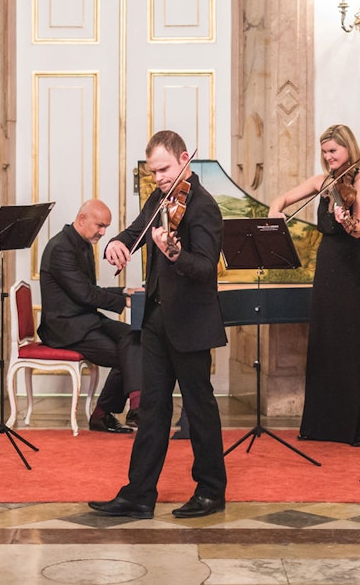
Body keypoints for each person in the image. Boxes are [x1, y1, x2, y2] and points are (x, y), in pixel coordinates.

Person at [88, 130, 228, 519]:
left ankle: (211, 491)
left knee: (199, 408)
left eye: (164, 169)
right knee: (152, 408)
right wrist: (115, 242)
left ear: (185, 158)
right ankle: (138, 494)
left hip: (191, 322)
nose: (160, 178)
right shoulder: (158, 199)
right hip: (156, 319)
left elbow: (204, 268)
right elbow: (134, 234)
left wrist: (176, 252)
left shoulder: (204, 207)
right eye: (154, 172)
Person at [268, 124, 360, 446]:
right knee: (327, 340)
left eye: (333, 150)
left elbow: (358, 229)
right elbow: (283, 198)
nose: (328, 156)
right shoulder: (322, 182)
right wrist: (275, 211)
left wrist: (344, 218)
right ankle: (324, 425)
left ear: (349, 149)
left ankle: (358, 426)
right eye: (324, 151)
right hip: (329, 266)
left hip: (354, 268)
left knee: (354, 341)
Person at [38, 199, 142, 433]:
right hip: (65, 328)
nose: (104, 233)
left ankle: (129, 407)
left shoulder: (81, 242)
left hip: (86, 321)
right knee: (126, 354)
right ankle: (114, 412)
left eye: (106, 227)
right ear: (82, 219)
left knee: (136, 337)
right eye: (100, 226)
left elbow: (87, 290)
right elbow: (84, 294)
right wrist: (124, 301)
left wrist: (125, 291)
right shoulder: (61, 248)